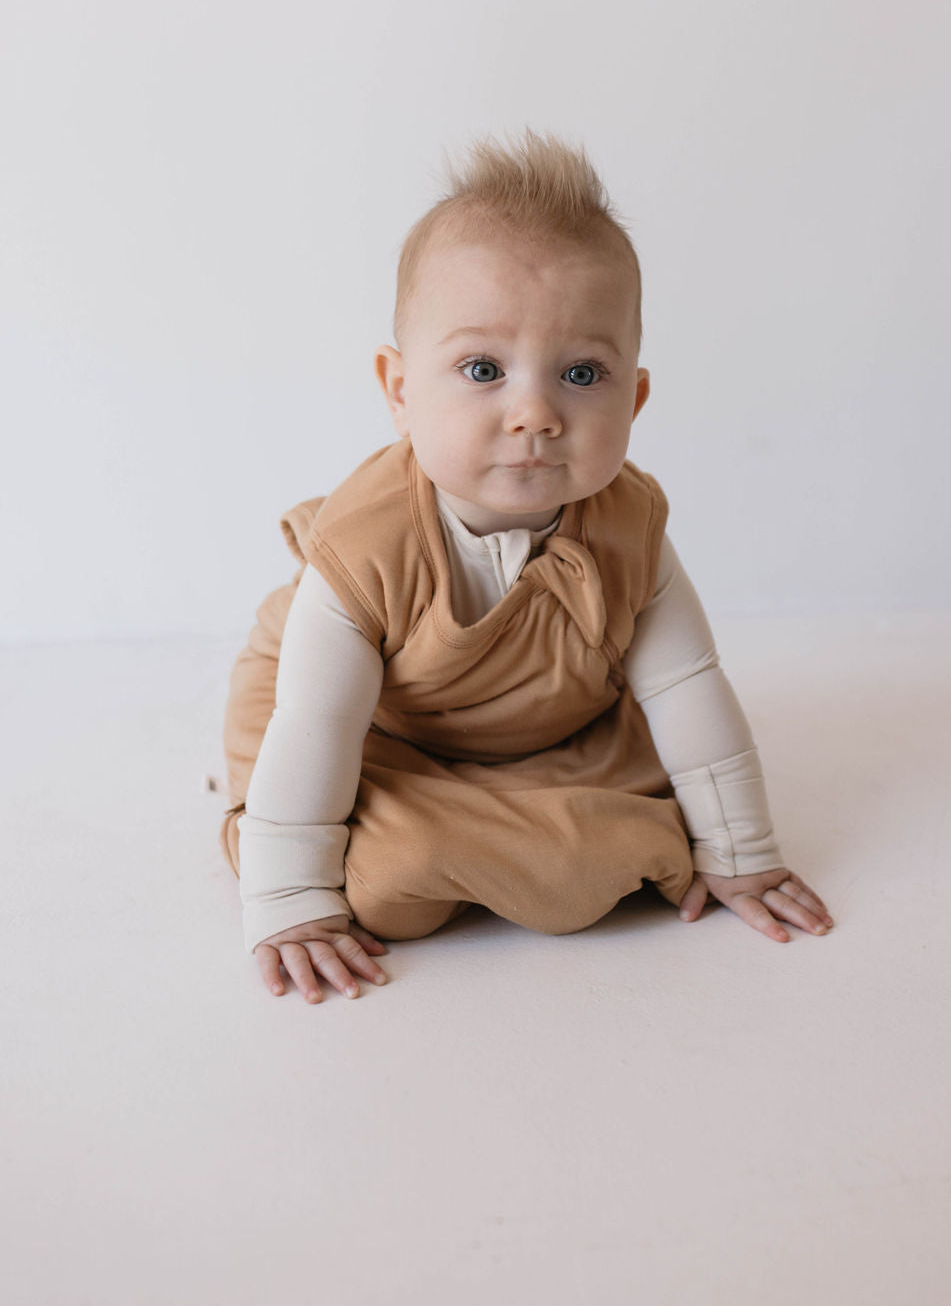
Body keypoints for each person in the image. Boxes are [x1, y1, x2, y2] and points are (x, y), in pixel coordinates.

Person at [218, 130, 832, 1005]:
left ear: (636, 399)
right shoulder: (365, 546)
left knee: (609, 844)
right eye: (482, 368)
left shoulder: (631, 528)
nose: (536, 412)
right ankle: (381, 842)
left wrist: (743, 854)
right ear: (399, 390)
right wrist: (288, 901)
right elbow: (317, 726)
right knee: (384, 874)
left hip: (554, 727)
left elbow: (689, 686)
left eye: (582, 372)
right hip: (372, 732)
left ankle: (532, 830)